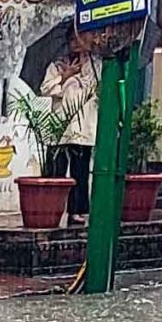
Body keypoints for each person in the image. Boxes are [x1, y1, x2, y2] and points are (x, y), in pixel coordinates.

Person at [39, 40, 100, 227]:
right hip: (61, 128)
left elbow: (100, 90)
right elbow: (45, 89)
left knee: (80, 173)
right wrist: (65, 76)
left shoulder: (95, 65)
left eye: (81, 39)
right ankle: (50, 209)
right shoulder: (56, 65)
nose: (77, 44)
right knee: (55, 171)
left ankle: (77, 211)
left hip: (84, 127)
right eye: (73, 40)